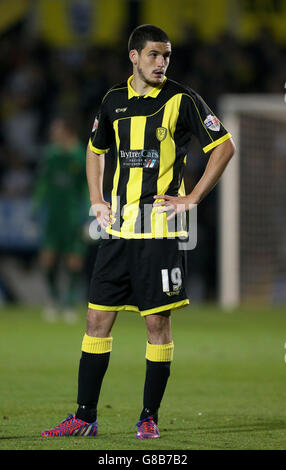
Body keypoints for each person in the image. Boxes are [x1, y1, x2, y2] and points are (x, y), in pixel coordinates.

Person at [41, 24, 235, 439]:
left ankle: (148, 417)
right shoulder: (113, 99)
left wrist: (192, 198)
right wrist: (97, 198)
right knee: (96, 320)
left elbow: (224, 147)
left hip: (161, 233)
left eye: (166, 55)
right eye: (153, 55)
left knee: (157, 327)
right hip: (118, 231)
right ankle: (84, 416)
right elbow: (94, 152)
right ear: (134, 57)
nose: (161, 62)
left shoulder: (182, 99)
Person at [34, 116, 88, 323]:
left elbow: (85, 186)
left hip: (73, 216)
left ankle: (70, 302)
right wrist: (36, 208)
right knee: (47, 259)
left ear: (67, 131)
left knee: (74, 260)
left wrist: (88, 213)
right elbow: (42, 183)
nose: (52, 133)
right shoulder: (51, 155)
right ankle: (54, 298)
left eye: (56, 129)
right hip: (53, 217)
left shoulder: (79, 155)